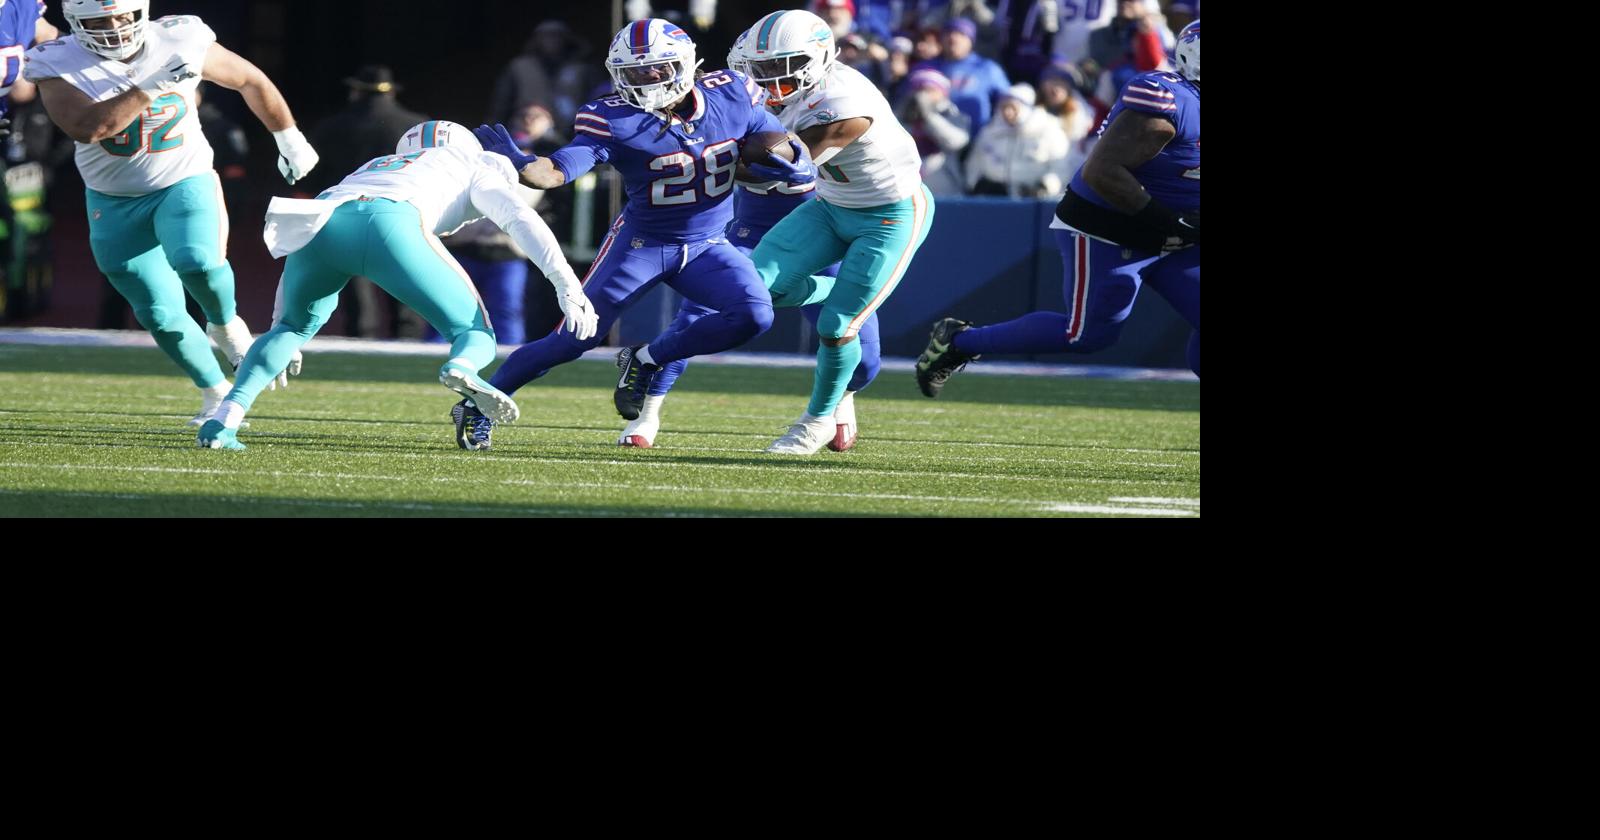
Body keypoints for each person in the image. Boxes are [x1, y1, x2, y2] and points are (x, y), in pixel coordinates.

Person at [465, 18, 807, 449]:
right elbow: (557, 170)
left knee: (754, 315)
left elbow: (777, 138)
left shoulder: (733, 93)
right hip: (642, 245)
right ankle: (480, 404)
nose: (645, 81)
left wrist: (794, 157)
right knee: (573, 340)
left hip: (707, 245)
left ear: (684, 65)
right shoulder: (614, 118)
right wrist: (522, 164)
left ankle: (647, 359)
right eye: (633, 73)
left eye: (655, 70)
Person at [197, 121, 597, 451]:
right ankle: (461, 366)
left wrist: (283, 325)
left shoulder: (379, 163)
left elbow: (322, 228)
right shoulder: (474, 163)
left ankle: (223, 421)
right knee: (473, 333)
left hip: (322, 220)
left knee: (289, 329)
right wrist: (566, 283)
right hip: (393, 224)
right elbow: (519, 219)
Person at [26, 0, 320, 425]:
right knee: (159, 314)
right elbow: (88, 128)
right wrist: (151, 85)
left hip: (182, 179)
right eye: (99, 21)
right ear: (75, 23)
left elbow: (250, 80)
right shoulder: (57, 61)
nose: (114, 27)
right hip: (112, 199)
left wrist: (288, 137)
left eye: (121, 15)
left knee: (197, 262)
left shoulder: (178, 37)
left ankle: (225, 323)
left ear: (140, 10)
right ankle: (214, 391)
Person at [914, 18, 1198, 396]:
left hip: (1179, 231)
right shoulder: (1170, 103)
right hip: (1110, 227)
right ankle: (959, 342)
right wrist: (1170, 223)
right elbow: (1103, 171)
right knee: (1086, 335)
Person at [733, 9, 934, 455]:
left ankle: (816, 421)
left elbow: (779, 172)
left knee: (837, 325)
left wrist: (710, 158)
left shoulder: (843, 107)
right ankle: (831, 289)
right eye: (758, 68)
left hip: (890, 216)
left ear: (814, 60)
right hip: (831, 207)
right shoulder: (801, 86)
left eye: (776, 69)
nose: (764, 80)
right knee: (750, 289)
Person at [305, 64, 431, 338]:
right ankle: (408, 341)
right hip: (401, 214)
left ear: (355, 92)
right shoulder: (415, 126)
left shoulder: (331, 127)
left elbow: (311, 176)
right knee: (405, 281)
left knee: (357, 289)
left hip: (345, 214)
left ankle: (361, 338)